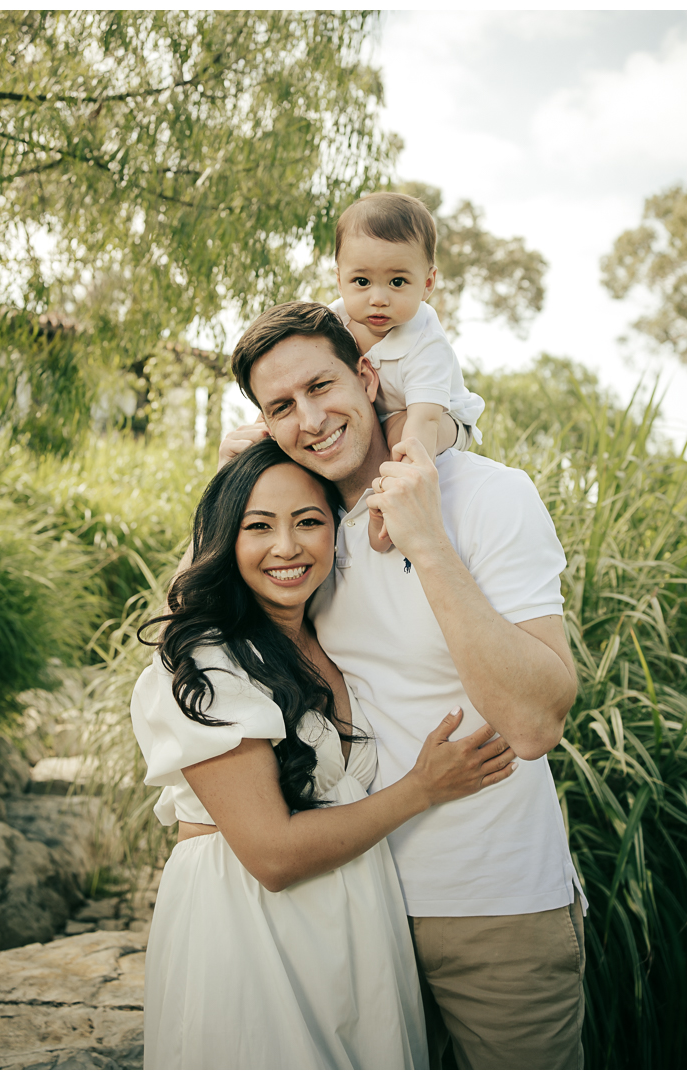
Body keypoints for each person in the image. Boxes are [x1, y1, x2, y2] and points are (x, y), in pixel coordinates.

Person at [221, 300, 588, 1070]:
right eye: (282, 407)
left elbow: (533, 724)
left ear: (365, 373)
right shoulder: (303, 530)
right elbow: (210, 648)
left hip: (497, 905)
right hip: (355, 905)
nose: (312, 418)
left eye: (322, 386)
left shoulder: (489, 495)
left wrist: (426, 537)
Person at [131, 438, 517, 1070]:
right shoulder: (205, 659)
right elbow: (272, 855)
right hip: (251, 927)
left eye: (308, 522)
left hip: (353, 926)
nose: (287, 547)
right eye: (259, 527)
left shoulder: (324, 638)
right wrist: (422, 788)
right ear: (224, 540)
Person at [330, 191, 485, 552]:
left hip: (439, 417)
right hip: (376, 413)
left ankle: (387, 516)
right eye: (362, 282)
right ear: (340, 280)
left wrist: (403, 484)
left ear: (427, 284)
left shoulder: (426, 343)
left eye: (397, 282)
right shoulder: (332, 320)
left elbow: (423, 424)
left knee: (400, 435)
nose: (378, 298)